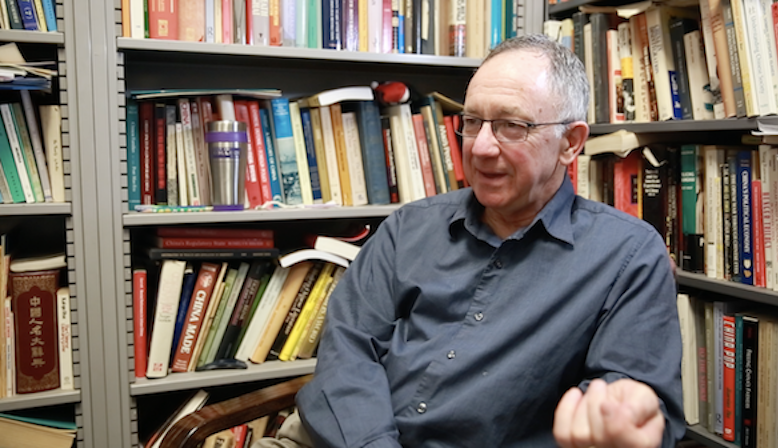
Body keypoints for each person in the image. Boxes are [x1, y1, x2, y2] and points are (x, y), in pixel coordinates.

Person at [256, 33, 684, 448]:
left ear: (570, 143)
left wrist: (619, 418)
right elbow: (346, 355)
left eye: (510, 126)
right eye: (473, 121)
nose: (480, 147)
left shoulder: (627, 256)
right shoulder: (409, 227)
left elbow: (626, 400)